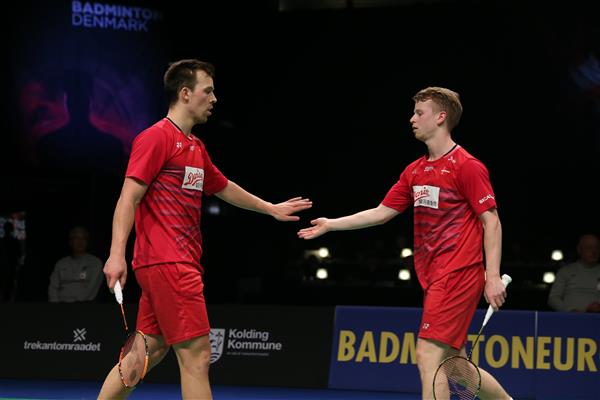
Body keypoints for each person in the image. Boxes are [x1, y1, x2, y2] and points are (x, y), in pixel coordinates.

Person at [98, 59, 312, 400]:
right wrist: (115, 255)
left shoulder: (195, 147)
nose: (214, 99)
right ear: (185, 93)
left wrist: (269, 208)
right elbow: (128, 198)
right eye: (207, 91)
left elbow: (223, 186)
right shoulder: (156, 138)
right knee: (197, 356)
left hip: (166, 265)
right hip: (171, 263)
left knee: (147, 351)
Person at [298, 87, 512, 399]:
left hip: (457, 273)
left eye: (419, 113)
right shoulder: (415, 171)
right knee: (455, 366)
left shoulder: (466, 166)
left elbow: (491, 221)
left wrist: (492, 276)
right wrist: (331, 224)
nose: (412, 119)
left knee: (428, 355)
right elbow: (381, 213)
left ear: (440, 117)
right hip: (433, 275)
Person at [47, 226, 103, 302]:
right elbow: (53, 287)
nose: (80, 241)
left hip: (84, 304)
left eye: (83, 238)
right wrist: (55, 304)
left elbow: (93, 288)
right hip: (61, 304)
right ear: (70, 242)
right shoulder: (61, 263)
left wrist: (76, 303)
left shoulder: (95, 263)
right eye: (76, 238)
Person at [548, 233, 600, 312]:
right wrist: (570, 311)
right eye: (589, 247)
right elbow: (553, 298)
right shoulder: (565, 271)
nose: (594, 251)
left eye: (597, 248)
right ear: (579, 250)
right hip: (571, 317)